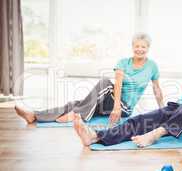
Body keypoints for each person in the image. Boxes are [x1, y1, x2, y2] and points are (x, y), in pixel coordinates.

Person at [15, 33, 164, 126]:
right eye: (137, 46)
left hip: (125, 108)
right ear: (132, 46)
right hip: (114, 102)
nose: (139, 49)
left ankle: (78, 114)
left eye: (143, 47)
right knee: (76, 103)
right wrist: (115, 105)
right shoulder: (123, 62)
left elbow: (156, 88)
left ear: (148, 48)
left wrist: (163, 109)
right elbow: (117, 84)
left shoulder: (152, 66)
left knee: (104, 84)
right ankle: (34, 115)